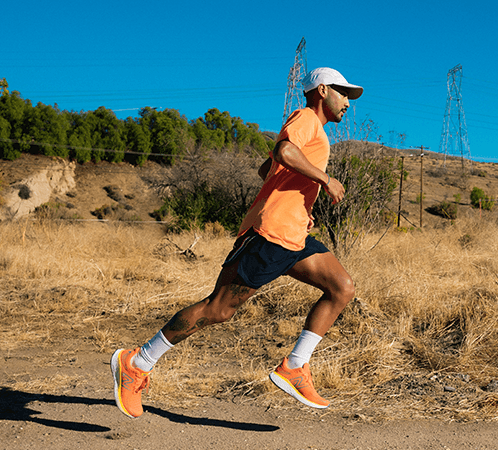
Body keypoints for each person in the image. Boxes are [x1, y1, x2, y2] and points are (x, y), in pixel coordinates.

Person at [111, 67, 364, 418]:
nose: (348, 103)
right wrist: (325, 179)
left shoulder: (315, 132)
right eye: (343, 94)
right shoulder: (306, 118)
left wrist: (301, 203)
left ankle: (294, 366)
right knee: (218, 310)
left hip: (293, 234)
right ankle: (137, 362)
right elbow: (285, 152)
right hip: (271, 235)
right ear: (321, 90)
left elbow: (269, 169)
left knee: (342, 287)